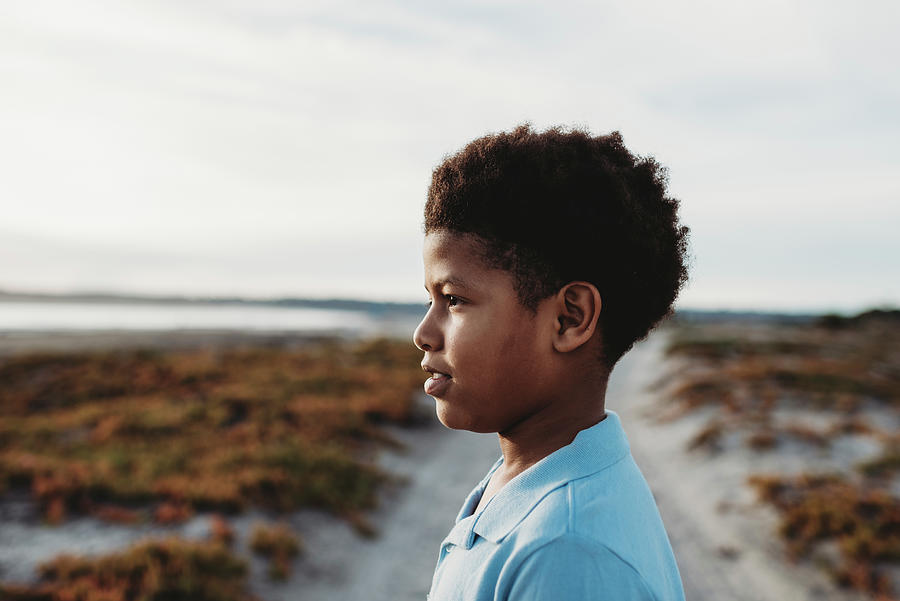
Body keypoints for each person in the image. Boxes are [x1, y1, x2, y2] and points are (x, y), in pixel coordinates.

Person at [413, 124, 689, 600]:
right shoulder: (529, 481)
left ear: (569, 318)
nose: (423, 333)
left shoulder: (566, 553)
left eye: (454, 299)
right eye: (431, 299)